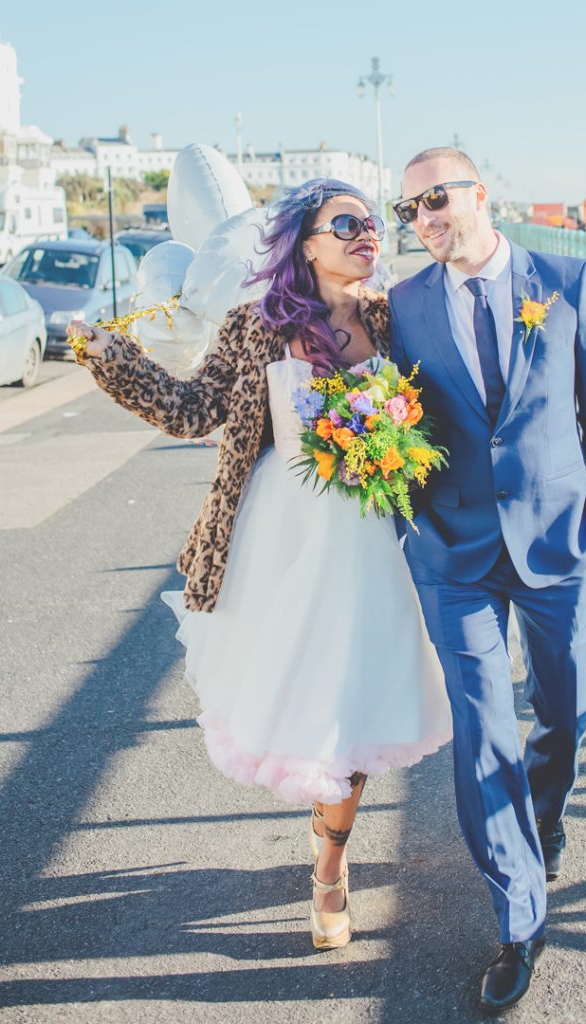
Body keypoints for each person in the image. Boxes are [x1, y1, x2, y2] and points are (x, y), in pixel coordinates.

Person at [66, 178, 451, 951]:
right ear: (306, 243)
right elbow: (190, 410)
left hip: (377, 545)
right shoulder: (254, 327)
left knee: (357, 698)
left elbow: (441, 408)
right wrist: (112, 360)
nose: (366, 233)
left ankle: (331, 866)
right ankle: (326, 830)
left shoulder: (395, 317)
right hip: (282, 545)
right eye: (346, 223)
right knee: (307, 696)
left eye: (373, 223)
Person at [388, 148, 586, 1014]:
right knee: (483, 726)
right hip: (452, 551)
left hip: (559, 540)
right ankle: (519, 916)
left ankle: (547, 812)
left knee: (564, 709)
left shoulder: (566, 278)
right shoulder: (403, 306)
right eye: (408, 209)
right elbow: (382, 405)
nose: (424, 218)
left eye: (436, 199)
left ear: (480, 194)